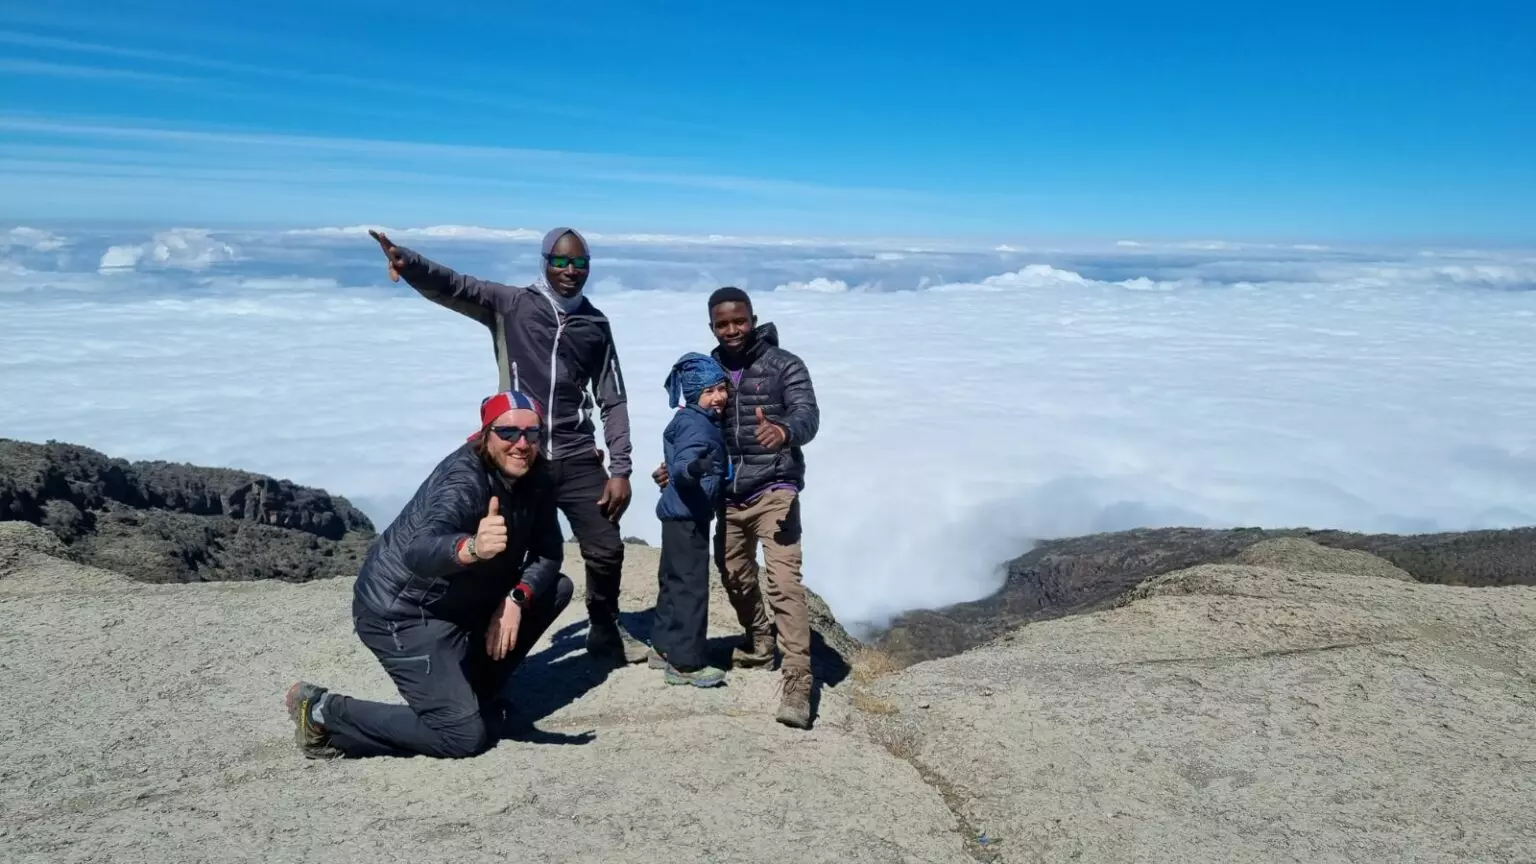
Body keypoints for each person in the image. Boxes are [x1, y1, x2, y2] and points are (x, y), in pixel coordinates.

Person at [366, 226, 647, 664]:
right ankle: (475, 629)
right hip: (519, 450)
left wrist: (621, 469)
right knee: (500, 548)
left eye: (579, 263)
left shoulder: (595, 324)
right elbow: (457, 286)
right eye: (560, 261)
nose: (570, 270)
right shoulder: (514, 304)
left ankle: (604, 627)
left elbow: (613, 398)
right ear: (545, 262)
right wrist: (410, 263)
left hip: (576, 452)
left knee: (606, 547)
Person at [284, 390, 573, 759]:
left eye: (532, 434)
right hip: (402, 612)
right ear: (486, 434)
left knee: (553, 589)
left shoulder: (537, 476)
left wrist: (515, 599)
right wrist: (472, 547)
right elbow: (418, 551)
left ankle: (473, 693)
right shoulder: (464, 481)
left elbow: (549, 554)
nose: (522, 444)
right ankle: (323, 712)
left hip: (458, 598)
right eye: (508, 432)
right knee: (463, 736)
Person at [652, 287, 820, 728]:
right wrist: (677, 468)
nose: (732, 330)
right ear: (712, 327)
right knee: (734, 573)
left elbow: (808, 415)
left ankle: (798, 681)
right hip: (727, 494)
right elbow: (695, 430)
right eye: (722, 324)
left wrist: (784, 431)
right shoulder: (709, 371)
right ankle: (761, 642)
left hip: (775, 487)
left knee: (783, 581)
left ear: (753, 319)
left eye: (739, 321)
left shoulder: (785, 365)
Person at [648, 353, 732, 688]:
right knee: (690, 588)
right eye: (709, 391)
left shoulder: (691, 418)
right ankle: (685, 663)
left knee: (673, 582)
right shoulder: (697, 424)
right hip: (689, 512)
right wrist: (694, 469)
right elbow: (684, 465)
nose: (718, 397)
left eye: (721, 388)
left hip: (676, 514)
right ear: (694, 393)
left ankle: (663, 647)